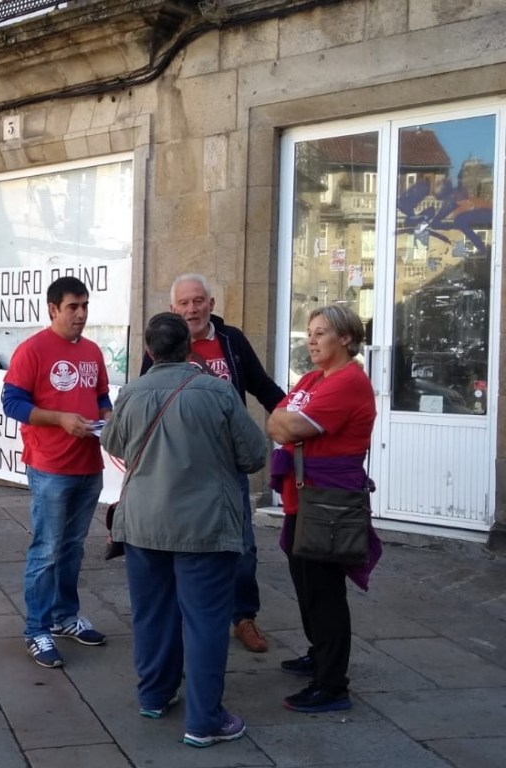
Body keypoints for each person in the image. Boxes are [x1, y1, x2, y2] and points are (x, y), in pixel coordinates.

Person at [103, 312, 267, 748]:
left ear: (150, 351)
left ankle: (154, 695)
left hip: (142, 524)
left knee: (152, 614)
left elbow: (113, 444)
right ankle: (204, 719)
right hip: (204, 525)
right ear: (188, 348)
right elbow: (254, 455)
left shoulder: (131, 392)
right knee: (206, 621)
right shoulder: (217, 392)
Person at [141, 274, 284, 653]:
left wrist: (294, 416)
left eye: (199, 300)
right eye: (185, 303)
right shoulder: (161, 343)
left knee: (243, 546)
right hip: (178, 467)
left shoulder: (231, 341)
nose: (192, 309)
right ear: (173, 309)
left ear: (212, 303)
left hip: (227, 466)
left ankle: (243, 617)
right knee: (178, 546)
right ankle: (188, 615)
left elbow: (262, 386)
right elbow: (145, 396)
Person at [266, 304, 377, 713]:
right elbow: (277, 418)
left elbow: (286, 426)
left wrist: (285, 421)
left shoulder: (347, 382)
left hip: (328, 501)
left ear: (345, 338)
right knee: (306, 584)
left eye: (321, 333)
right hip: (305, 497)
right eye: (309, 332)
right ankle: (319, 654)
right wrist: (283, 420)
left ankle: (332, 684)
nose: (310, 340)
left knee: (324, 591)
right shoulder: (315, 378)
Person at [1, 276, 112, 669]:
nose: (81, 314)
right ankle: (36, 629)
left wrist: (109, 420)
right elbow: (11, 402)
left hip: (88, 463)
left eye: (85, 306)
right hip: (50, 466)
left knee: (73, 547)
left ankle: (66, 616)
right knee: (46, 549)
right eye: (73, 307)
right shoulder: (32, 350)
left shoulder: (94, 351)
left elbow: (101, 395)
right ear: (53, 309)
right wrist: (59, 419)